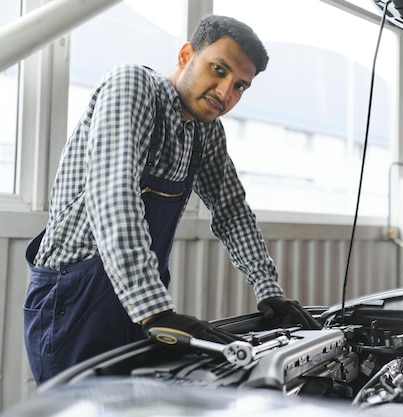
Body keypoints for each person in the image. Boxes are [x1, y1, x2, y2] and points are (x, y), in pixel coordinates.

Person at [23, 14, 319, 385]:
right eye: (218, 69)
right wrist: (155, 311)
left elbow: (232, 212)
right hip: (74, 299)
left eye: (240, 86)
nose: (225, 93)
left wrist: (269, 290)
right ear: (185, 55)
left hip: (136, 299)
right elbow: (114, 195)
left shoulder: (205, 131)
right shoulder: (132, 85)